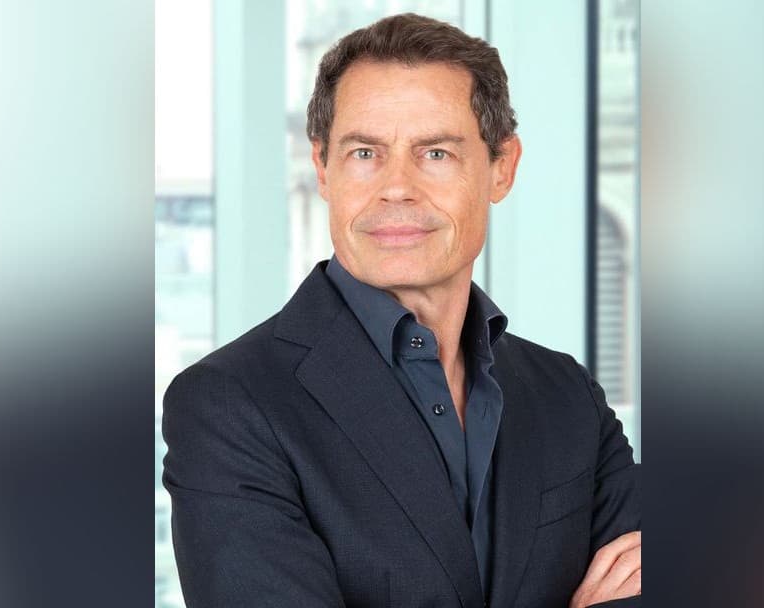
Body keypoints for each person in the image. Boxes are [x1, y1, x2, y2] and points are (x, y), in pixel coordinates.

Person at [163, 13, 640, 608]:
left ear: (502, 167)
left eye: (435, 153)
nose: (396, 187)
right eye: (365, 152)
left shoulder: (567, 395)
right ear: (323, 169)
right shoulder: (229, 404)